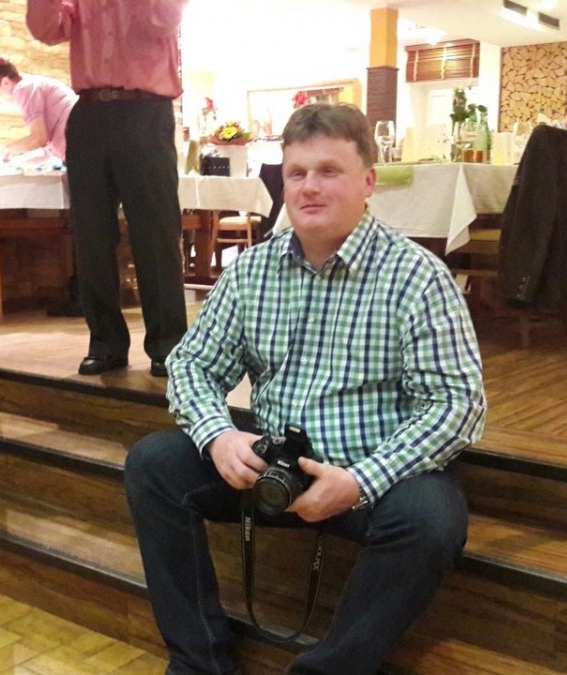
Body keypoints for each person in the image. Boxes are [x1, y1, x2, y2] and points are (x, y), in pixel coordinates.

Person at [123, 104, 485, 675]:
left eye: (329, 171)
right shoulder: (252, 271)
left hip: (371, 476)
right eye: (297, 173)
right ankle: (199, 663)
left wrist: (362, 480)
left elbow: (457, 405)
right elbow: (191, 364)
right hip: (273, 468)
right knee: (153, 465)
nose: (310, 187)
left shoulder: (417, 276)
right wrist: (219, 436)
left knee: (431, 519)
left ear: (369, 181)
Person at [26, 0, 188, 378]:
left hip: (146, 110)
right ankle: (105, 343)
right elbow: (46, 29)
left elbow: (162, 20)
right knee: (91, 236)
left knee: (156, 232)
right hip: (88, 113)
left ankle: (168, 345)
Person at [0, 57, 76, 163]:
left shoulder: (23, 89)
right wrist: (18, 160)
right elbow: (47, 148)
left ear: (6, 82)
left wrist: (7, 150)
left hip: (77, 144)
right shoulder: (30, 84)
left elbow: (39, 139)